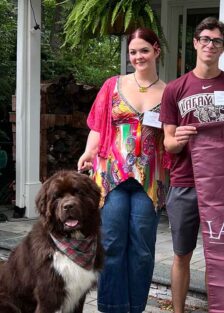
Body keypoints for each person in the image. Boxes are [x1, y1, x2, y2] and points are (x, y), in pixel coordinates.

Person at [159, 17, 224, 313]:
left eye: (217, 41)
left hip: (223, 185)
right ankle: (178, 310)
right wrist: (181, 139)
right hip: (185, 182)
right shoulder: (175, 89)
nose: (211, 45)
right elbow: (168, 144)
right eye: (206, 39)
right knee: (181, 254)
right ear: (195, 43)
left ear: (223, 47)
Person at [77, 28, 168, 313]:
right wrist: (88, 152)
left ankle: (135, 307)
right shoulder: (113, 85)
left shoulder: (170, 92)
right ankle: (112, 307)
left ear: (156, 51)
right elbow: (98, 124)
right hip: (112, 175)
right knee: (112, 244)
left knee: (142, 249)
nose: (138, 56)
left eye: (143, 50)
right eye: (133, 52)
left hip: (149, 180)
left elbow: (172, 137)